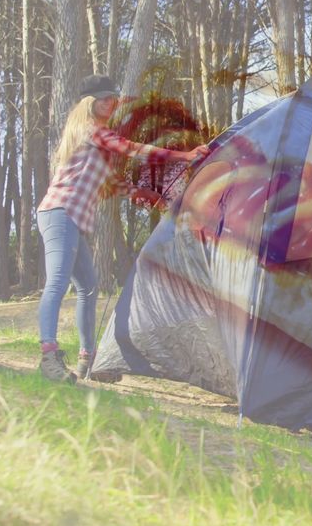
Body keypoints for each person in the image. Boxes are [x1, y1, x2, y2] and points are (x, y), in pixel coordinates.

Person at [36, 75, 207, 383]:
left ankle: (88, 359)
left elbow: (112, 184)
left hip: (71, 219)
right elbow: (131, 148)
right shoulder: (90, 130)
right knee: (57, 283)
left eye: (112, 98)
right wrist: (185, 155)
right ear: (89, 103)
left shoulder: (97, 143)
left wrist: (146, 194)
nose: (110, 103)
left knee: (88, 287)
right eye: (103, 98)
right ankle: (48, 356)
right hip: (60, 214)